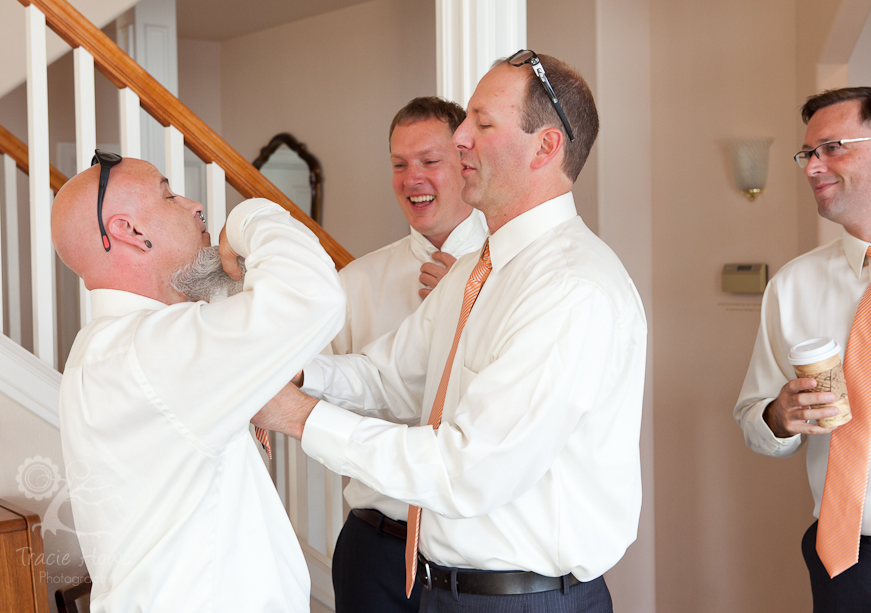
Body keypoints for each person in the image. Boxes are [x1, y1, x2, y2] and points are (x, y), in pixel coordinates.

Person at [256, 51, 646, 612]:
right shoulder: (474, 271)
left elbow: (467, 468)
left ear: (546, 147)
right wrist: (294, 374)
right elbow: (390, 379)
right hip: (440, 588)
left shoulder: (570, 289)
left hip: (522, 600)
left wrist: (296, 415)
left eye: (482, 124)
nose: (461, 137)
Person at [51, 152, 345, 612]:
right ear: (130, 231)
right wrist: (251, 214)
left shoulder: (113, 350)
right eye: (169, 194)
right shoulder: (150, 352)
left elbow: (233, 312)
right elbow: (311, 294)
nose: (195, 205)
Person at [735, 87, 871, 612]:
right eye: (808, 153)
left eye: (832, 148)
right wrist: (779, 416)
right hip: (848, 560)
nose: (813, 167)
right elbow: (752, 419)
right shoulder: (792, 287)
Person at [331, 97, 488, 612]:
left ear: (465, 163)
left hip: (480, 558)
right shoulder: (355, 284)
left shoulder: (514, 278)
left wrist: (468, 310)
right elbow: (323, 399)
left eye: (428, 161)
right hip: (375, 549)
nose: (411, 178)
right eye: (399, 165)